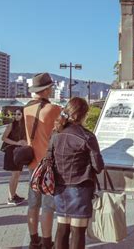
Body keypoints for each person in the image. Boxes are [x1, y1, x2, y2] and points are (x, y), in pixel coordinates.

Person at [52, 97, 104, 249]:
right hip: (80, 188)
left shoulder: (56, 134)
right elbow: (98, 166)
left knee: (62, 228)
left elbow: (49, 159)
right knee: (78, 231)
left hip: (59, 187)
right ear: (83, 115)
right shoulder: (87, 136)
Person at [24, 73, 61, 249]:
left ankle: (34, 240)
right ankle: (47, 242)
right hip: (48, 165)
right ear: (46, 90)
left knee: (33, 203)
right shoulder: (53, 109)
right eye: (51, 88)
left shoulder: (26, 109)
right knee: (48, 205)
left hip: (32, 163)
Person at [1, 108, 27, 205]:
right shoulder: (12, 124)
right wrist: (17, 142)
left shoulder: (25, 126)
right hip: (11, 151)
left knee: (18, 174)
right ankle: (10, 197)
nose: (16, 116)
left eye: (19, 114)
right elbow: (3, 138)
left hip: (19, 152)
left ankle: (13, 194)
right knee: (15, 174)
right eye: (15, 114)